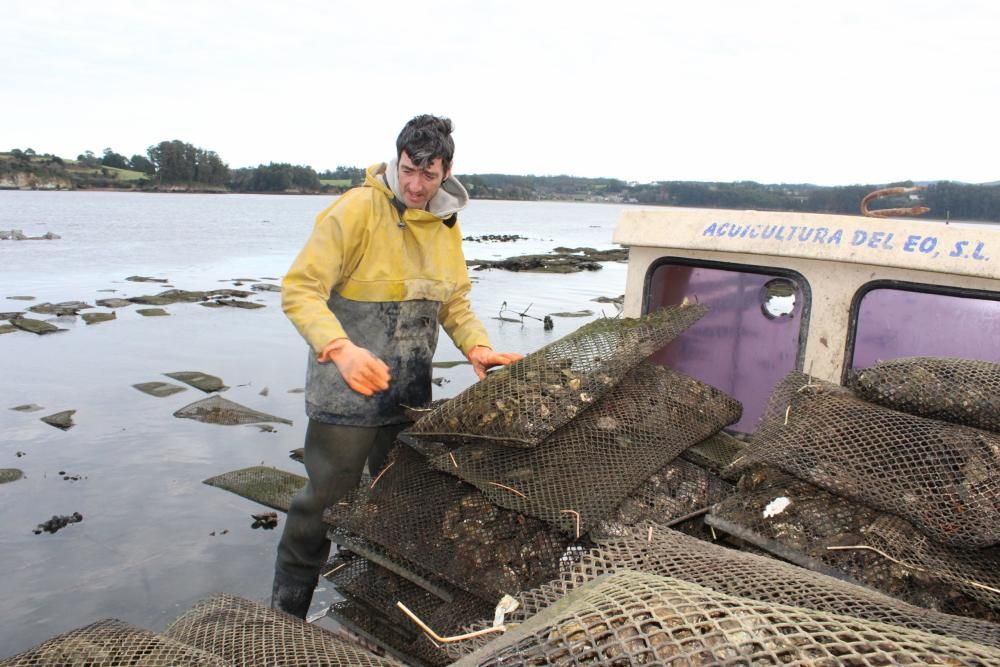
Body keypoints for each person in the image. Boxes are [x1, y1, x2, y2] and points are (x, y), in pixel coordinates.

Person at [272, 114, 523, 618]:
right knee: (321, 507)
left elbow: (452, 301)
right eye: (409, 169)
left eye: (428, 175)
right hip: (346, 392)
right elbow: (300, 290)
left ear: (446, 171)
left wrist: (476, 346)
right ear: (397, 159)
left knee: (404, 504)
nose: (415, 184)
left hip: (408, 394)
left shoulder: (445, 226)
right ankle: (284, 615)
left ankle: (383, 606)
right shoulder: (355, 211)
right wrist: (341, 349)